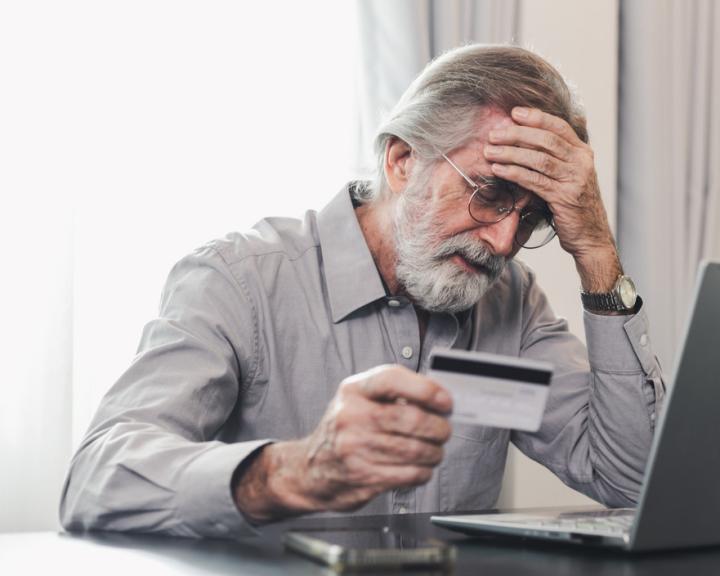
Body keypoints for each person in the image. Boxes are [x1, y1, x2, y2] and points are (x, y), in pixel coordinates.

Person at [60, 44, 665, 538]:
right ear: (402, 160)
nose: (505, 241)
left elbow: (633, 482)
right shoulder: (241, 281)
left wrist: (595, 250)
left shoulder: (511, 305)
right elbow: (97, 478)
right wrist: (293, 471)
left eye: (532, 218)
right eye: (489, 193)